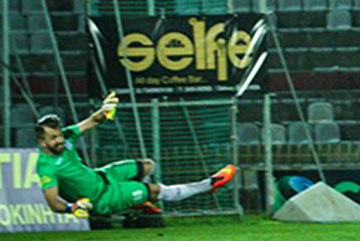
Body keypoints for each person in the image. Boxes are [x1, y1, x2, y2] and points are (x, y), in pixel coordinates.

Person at [36, 93, 236, 219]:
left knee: (148, 165)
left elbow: (93, 121)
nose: (60, 140)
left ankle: (138, 201)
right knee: (155, 190)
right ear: (42, 142)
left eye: (59, 135)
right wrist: (72, 208)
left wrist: (105, 110)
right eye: (54, 138)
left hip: (103, 175)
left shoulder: (66, 137)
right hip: (103, 198)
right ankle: (208, 185)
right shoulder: (46, 166)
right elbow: (53, 203)